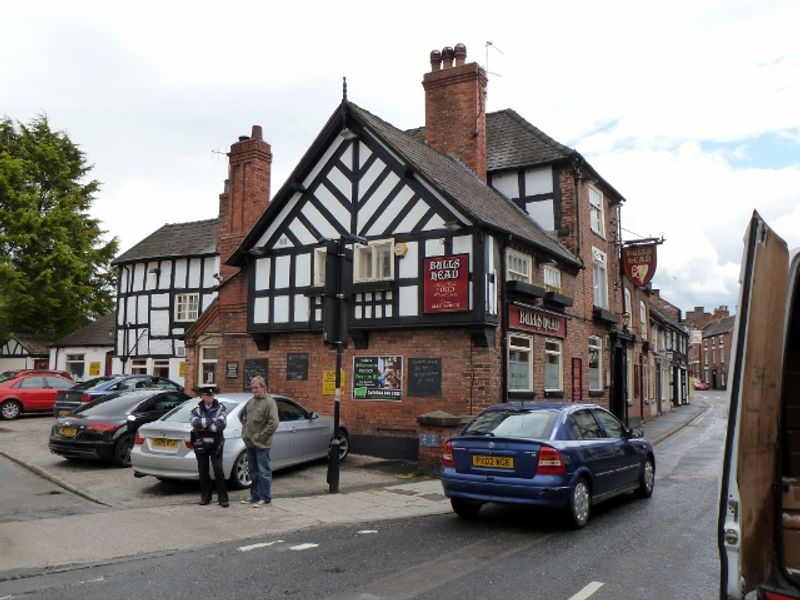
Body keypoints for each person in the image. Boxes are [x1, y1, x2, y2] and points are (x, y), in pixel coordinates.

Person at [239, 375, 279, 507]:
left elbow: (273, 423)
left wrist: (259, 437)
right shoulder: (250, 402)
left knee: (264, 472)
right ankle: (254, 496)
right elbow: (242, 416)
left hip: (262, 444)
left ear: (263, 387)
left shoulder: (269, 403)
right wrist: (245, 432)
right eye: (252, 388)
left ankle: (265, 498)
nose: (254, 390)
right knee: (253, 472)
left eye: (256, 387)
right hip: (250, 443)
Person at [190, 385, 229, 508]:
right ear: (202, 397)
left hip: (216, 444)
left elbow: (222, 424)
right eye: (207, 395)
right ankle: (205, 497)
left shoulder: (220, 408)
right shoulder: (196, 410)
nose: (210, 397)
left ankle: (223, 499)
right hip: (201, 443)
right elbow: (194, 422)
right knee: (203, 470)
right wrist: (211, 421)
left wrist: (205, 424)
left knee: (218, 470)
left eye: (211, 395)